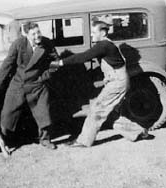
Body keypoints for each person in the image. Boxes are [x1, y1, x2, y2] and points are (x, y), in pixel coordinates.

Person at [52, 18, 148, 148]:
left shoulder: (104, 45)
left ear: (102, 33)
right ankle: (139, 132)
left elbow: (83, 57)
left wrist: (61, 62)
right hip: (117, 81)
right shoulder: (107, 44)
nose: (91, 34)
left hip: (116, 83)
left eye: (93, 32)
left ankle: (84, 141)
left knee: (96, 109)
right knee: (108, 113)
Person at [0, 22, 60, 150]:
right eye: (33, 34)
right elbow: (8, 63)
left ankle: (45, 139)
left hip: (37, 83)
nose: (37, 36)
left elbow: (56, 63)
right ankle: (5, 141)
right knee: (7, 114)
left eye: (38, 32)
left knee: (44, 112)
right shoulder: (19, 44)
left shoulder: (47, 43)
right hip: (19, 83)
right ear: (26, 34)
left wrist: (44, 77)